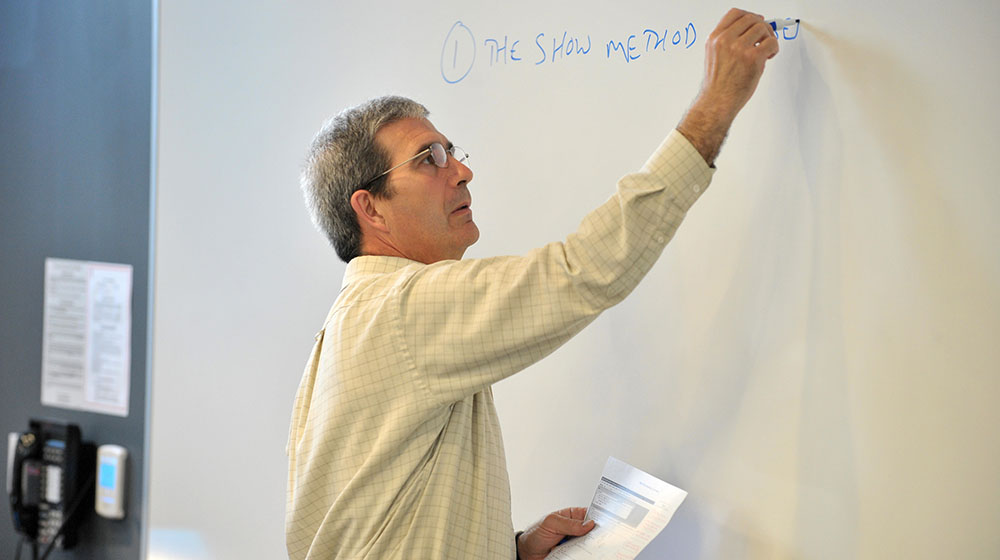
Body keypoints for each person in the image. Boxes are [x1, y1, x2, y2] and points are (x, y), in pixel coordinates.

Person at [286, 8, 779, 559]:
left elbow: (387, 531)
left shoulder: (353, 324)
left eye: (452, 151)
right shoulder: (401, 309)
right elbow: (585, 271)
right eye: (430, 159)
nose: (462, 170)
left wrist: (512, 551)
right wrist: (716, 105)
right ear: (370, 208)